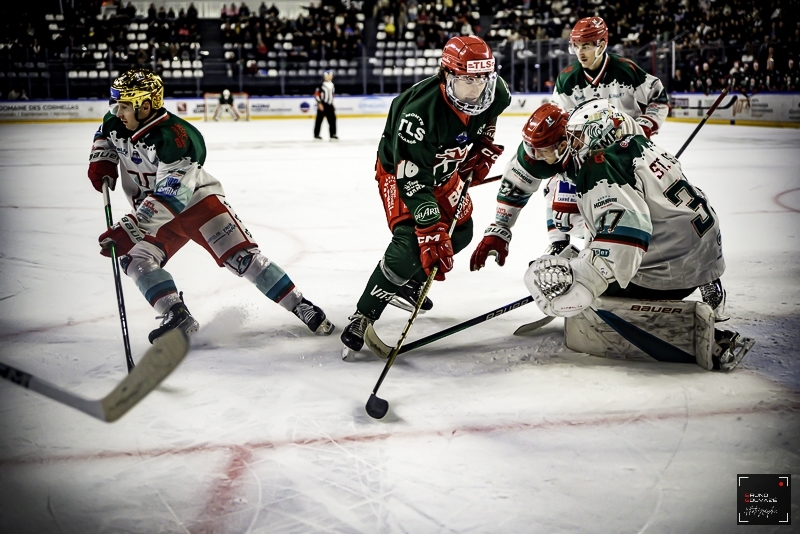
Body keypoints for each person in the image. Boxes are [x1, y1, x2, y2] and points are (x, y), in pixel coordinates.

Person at [87, 68, 334, 343]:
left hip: (196, 205)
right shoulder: (116, 121)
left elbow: (172, 196)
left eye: (124, 106)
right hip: (154, 214)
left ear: (145, 105)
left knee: (243, 259)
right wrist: (102, 158)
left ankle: (299, 304)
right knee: (135, 259)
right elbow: (105, 134)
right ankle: (176, 314)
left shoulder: (178, 138)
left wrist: (132, 227)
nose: (117, 112)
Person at [520, 99, 750, 370]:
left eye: (578, 136)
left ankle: (700, 338)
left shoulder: (600, 167)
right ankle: (708, 283)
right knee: (585, 257)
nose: (543, 157)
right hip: (702, 252)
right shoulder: (639, 144)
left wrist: (581, 284)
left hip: (673, 269)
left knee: (595, 296)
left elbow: (626, 237)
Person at [339, 35, 511, 359]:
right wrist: (429, 227)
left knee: (461, 231)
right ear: (447, 75)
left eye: (482, 79)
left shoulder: (495, 92)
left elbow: (490, 114)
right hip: (403, 171)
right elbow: (413, 177)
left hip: (446, 167)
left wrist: (484, 143)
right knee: (411, 242)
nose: (477, 89)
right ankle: (364, 315)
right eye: (467, 81)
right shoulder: (419, 115)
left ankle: (409, 282)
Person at [313, 70, 337, 140]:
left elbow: (331, 96)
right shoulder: (321, 85)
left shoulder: (332, 85)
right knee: (319, 120)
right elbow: (316, 95)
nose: (329, 77)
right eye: (327, 76)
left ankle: (333, 134)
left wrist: (332, 104)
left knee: (332, 120)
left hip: (330, 105)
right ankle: (316, 134)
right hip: (323, 104)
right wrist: (319, 103)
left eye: (330, 76)